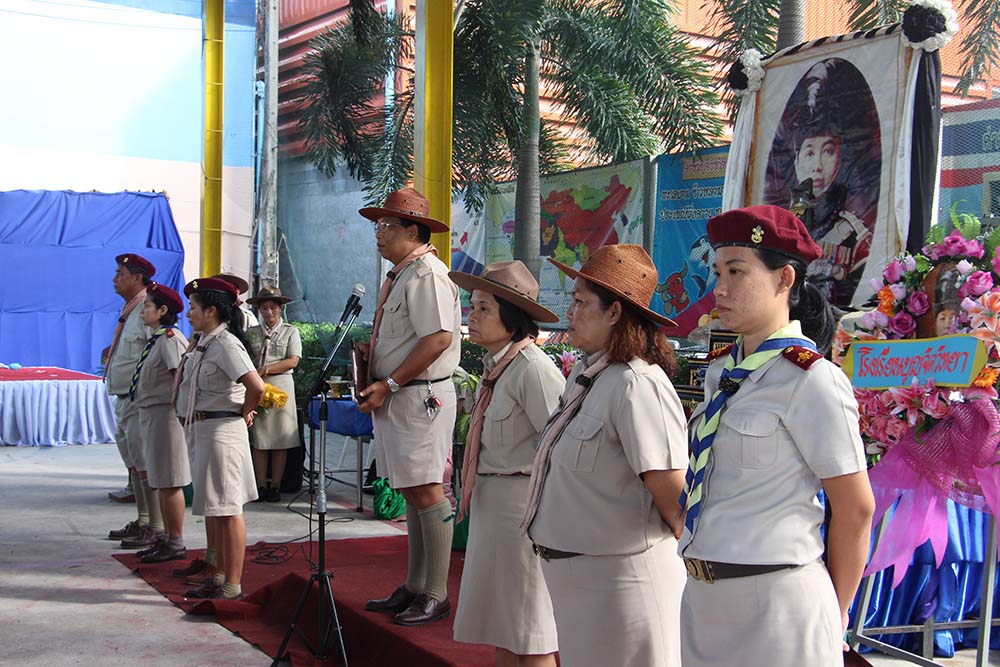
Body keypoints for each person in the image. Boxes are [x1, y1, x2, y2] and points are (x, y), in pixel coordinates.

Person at [678, 205, 875, 667]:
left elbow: (855, 508)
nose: (720, 288)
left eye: (737, 272)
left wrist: (836, 612)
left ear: (784, 279)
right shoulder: (722, 372)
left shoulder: (812, 379)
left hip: (778, 603)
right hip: (702, 599)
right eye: (717, 272)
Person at [522, 244, 689, 667]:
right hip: (582, 589)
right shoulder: (588, 374)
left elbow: (676, 504)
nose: (569, 312)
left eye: (580, 302)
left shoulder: (638, 384)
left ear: (614, 312)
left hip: (623, 588)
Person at [448, 261, 565, 666]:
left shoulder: (532, 369)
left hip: (522, 513)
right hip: (493, 508)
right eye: (472, 306)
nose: (472, 316)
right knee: (504, 626)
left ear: (512, 318)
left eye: (484, 309)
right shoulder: (498, 367)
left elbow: (559, 448)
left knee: (529, 630)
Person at [356, 187, 461, 626]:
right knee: (412, 491)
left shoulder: (427, 274)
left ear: (413, 232)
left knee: (427, 490)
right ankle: (416, 585)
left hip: (419, 396)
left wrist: (391, 382)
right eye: (378, 226)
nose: (378, 234)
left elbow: (438, 339)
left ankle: (435, 593)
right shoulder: (402, 275)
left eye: (387, 226)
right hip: (401, 395)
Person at [175, 277, 264, 600]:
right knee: (216, 508)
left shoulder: (226, 344)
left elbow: (256, 387)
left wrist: (243, 412)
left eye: (193, 308)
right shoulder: (204, 343)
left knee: (228, 509)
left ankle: (231, 585)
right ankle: (219, 575)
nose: (189, 314)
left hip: (222, 432)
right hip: (203, 430)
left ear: (211, 311)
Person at [130, 283, 192, 563]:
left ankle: (175, 541)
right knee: (161, 481)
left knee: (170, 481)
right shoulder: (156, 339)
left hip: (166, 417)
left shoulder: (170, 339)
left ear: (163, 310)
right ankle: (166, 537)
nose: (143, 310)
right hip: (152, 416)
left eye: (147, 306)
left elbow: (180, 377)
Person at [104, 253, 160, 548]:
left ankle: (155, 526)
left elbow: (157, 349)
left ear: (137, 278)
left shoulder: (147, 309)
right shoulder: (131, 309)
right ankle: (143, 520)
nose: (115, 279)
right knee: (135, 464)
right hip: (125, 398)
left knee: (146, 464)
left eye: (120, 274)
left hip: (140, 399)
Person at [245, 286, 302, 502]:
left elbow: (293, 360)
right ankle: (260, 485)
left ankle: (275, 486)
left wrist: (265, 369)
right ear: (259, 310)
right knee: (259, 439)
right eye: (264, 308)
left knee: (280, 439)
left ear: (280, 308)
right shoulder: (252, 333)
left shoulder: (290, 332)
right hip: (258, 387)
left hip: (281, 388)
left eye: (273, 307)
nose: (269, 312)